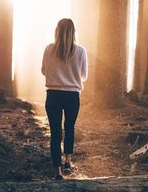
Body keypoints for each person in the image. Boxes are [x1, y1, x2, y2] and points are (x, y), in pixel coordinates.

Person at [41, 18, 88, 180]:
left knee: (55, 132)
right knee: (69, 128)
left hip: (53, 95)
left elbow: (43, 71)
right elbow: (84, 75)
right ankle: (68, 161)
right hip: (72, 96)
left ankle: (58, 171)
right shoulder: (81, 51)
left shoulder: (49, 49)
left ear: (57, 31)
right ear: (73, 32)